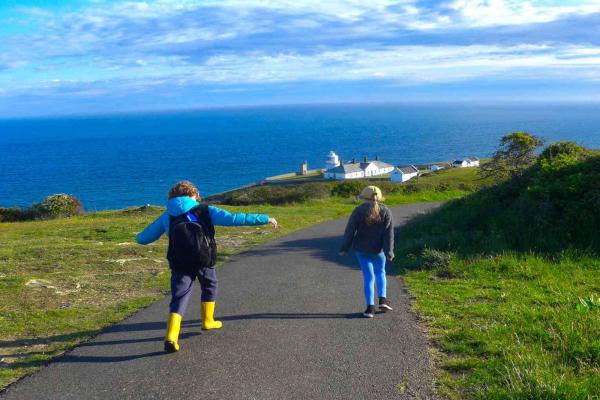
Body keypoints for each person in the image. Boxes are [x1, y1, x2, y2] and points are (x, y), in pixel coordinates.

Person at [136, 181, 277, 352]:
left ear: (172, 197)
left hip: (179, 263)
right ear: (194, 195)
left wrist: (137, 237)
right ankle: (207, 321)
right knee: (210, 285)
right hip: (204, 259)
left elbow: (144, 238)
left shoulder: (167, 215)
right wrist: (264, 218)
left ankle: (171, 337)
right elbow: (233, 219)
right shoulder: (205, 210)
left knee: (179, 296)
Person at [339, 186, 394, 318]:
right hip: (379, 250)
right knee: (381, 272)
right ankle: (383, 300)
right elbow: (389, 234)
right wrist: (389, 252)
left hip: (361, 249)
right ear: (379, 198)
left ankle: (370, 308)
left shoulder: (358, 211)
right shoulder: (386, 211)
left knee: (369, 277)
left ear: (364, 197)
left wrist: (344, 248)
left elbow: (350, 231)